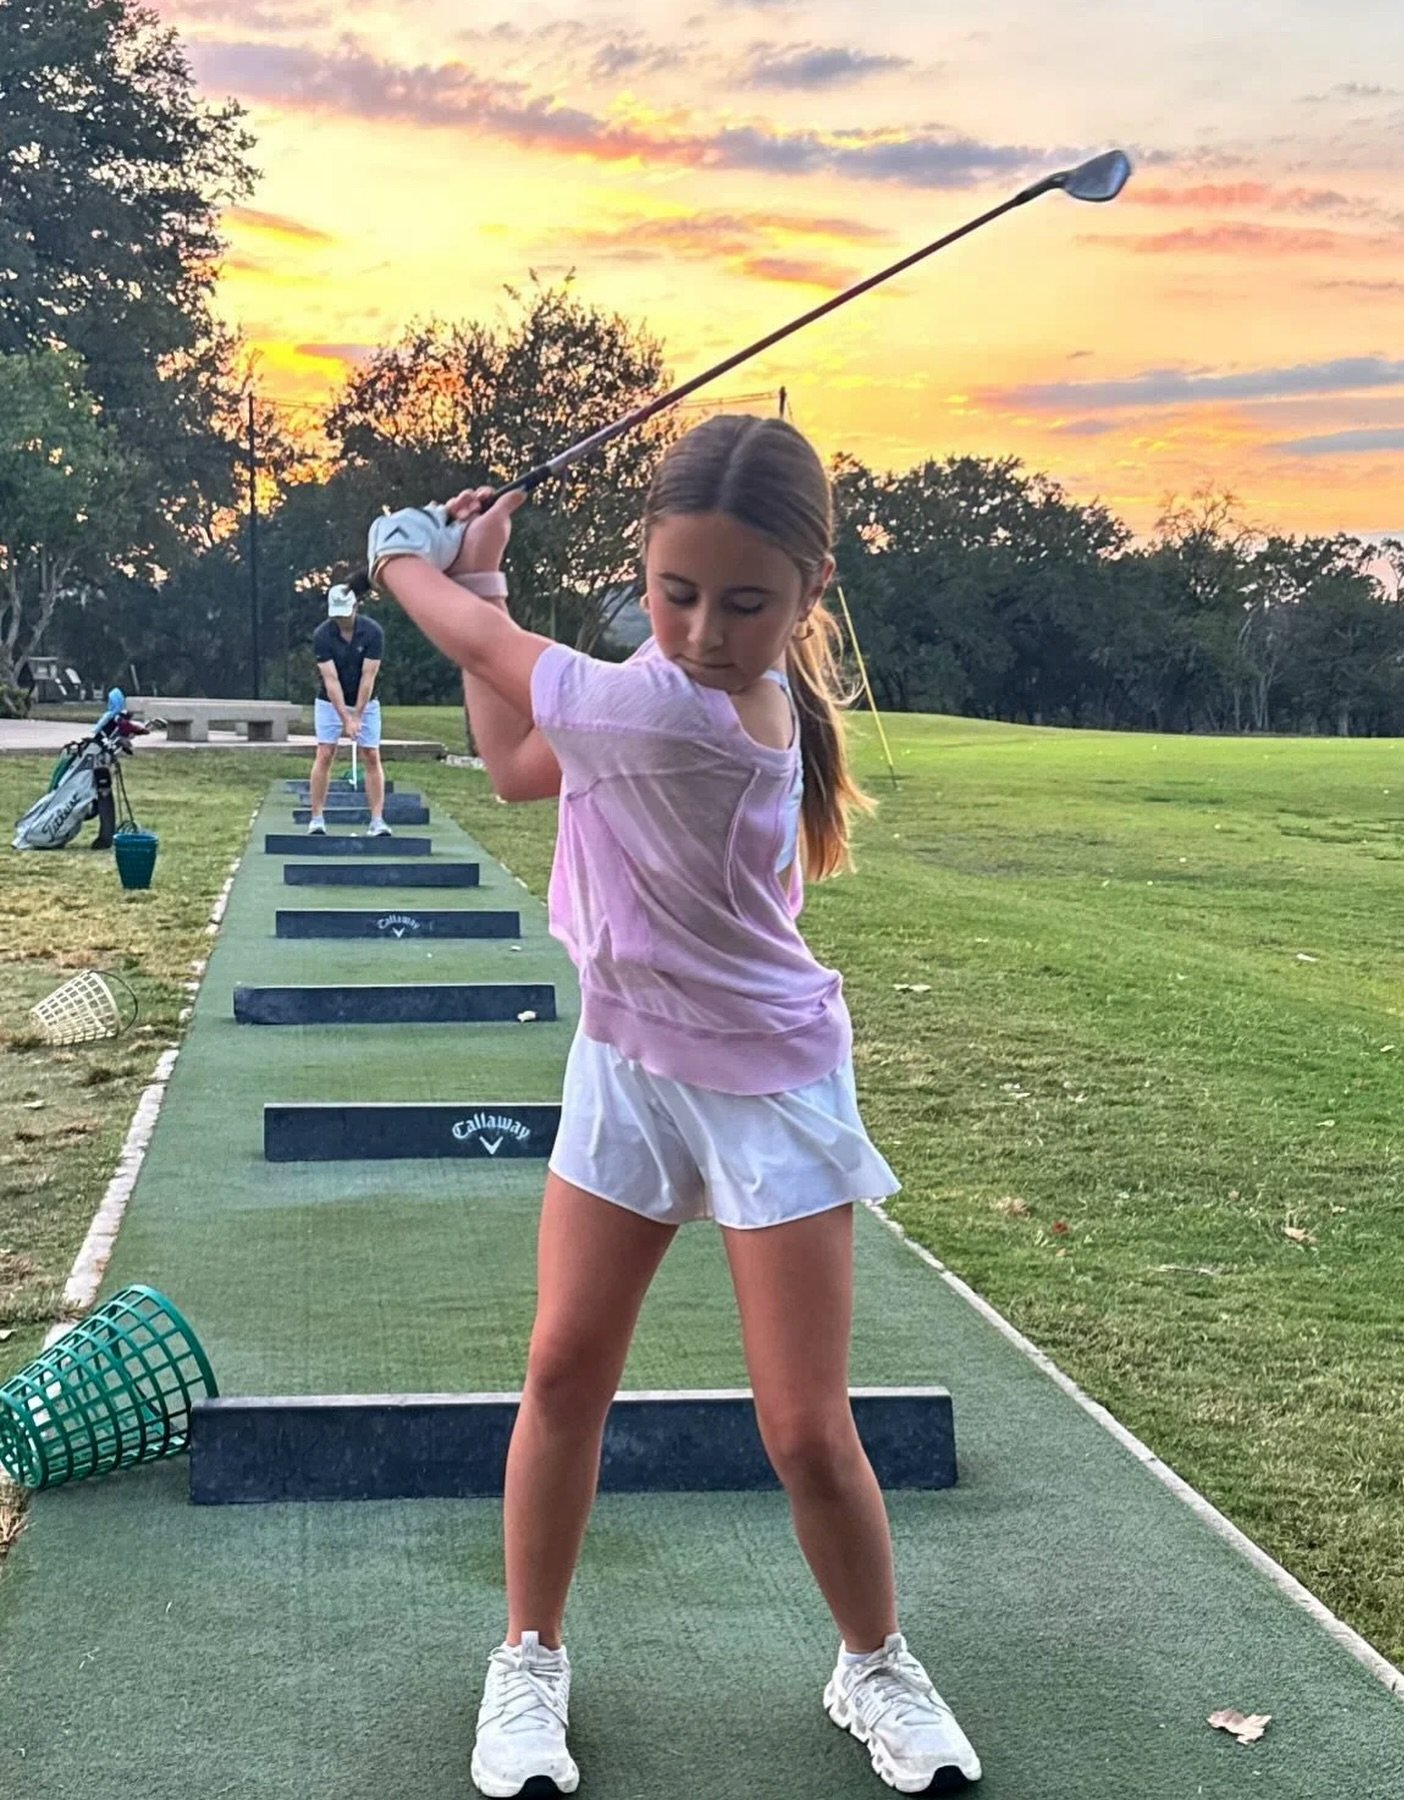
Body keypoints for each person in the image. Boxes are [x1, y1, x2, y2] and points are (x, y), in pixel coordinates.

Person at [368, 415, 982, 1798]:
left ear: (813, 596)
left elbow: (482, 660)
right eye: (677, 592)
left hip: (767, 1087)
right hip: (629, 1067)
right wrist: (492, 587)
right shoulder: (640, 691)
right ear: (645, 575)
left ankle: (872, 1661)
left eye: (747, 603)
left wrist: (411, 561)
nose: (705, 629)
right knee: (563, 1373)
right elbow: (526, 762)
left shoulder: (675, 717)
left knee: (804, 1427)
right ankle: (529, 1654)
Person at [307, 581, 389, 835]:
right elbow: (330, 681)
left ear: (356, 606)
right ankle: (317, 819)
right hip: (329, 702)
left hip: (367, 701)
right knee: (325, 753)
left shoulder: (373, 632)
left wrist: (358, 715)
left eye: (346, 613)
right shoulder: (322, 635)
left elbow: (369, 676)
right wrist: (345, 717)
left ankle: (377, 821)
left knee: (371, 755)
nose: (342, 620)